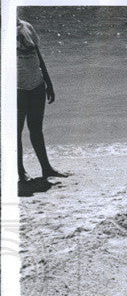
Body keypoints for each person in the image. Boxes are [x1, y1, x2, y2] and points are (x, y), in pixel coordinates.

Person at [16, 18, 65, 184]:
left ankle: (46, 168)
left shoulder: (27, 26)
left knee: (36, 129)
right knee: (16, 132)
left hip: (37, 85)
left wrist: (48, 83)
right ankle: (20, 172)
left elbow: (38, 55)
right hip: (16, 89)